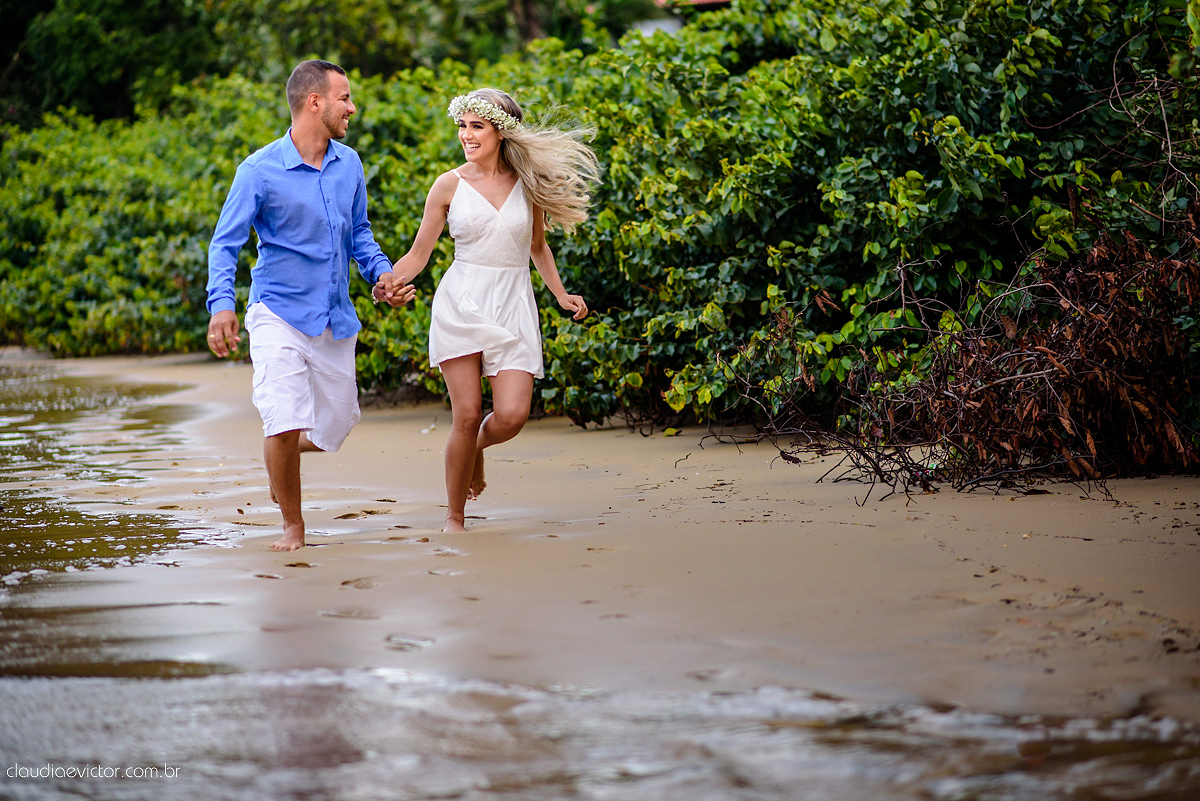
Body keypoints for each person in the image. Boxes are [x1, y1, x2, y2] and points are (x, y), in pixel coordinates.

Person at [206, 59, 415, 551]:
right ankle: (293, 526)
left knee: (334, 430)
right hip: (276, 311)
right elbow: (225, 243)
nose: (353, 107)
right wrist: (221, 305)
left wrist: (381, 275)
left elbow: (359, 232)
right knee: (283, 419)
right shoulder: (258, 170)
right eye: (345, 98)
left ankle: (280, 452)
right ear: (314, 102)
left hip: (334, 317)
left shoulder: (350, 164)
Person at [374, 88, 599, 533]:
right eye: (462, 126)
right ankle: (455, 516)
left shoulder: (528, 184)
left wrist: (559, 294)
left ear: (501, 130)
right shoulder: (448, 184)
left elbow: (538, 247)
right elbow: (419, 255)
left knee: (513, 416)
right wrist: (387, 286)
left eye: (476, 126)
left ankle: (474, 448)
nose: (465, 135)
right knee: (467, 413)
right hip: (461, 300)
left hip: (513, 302)